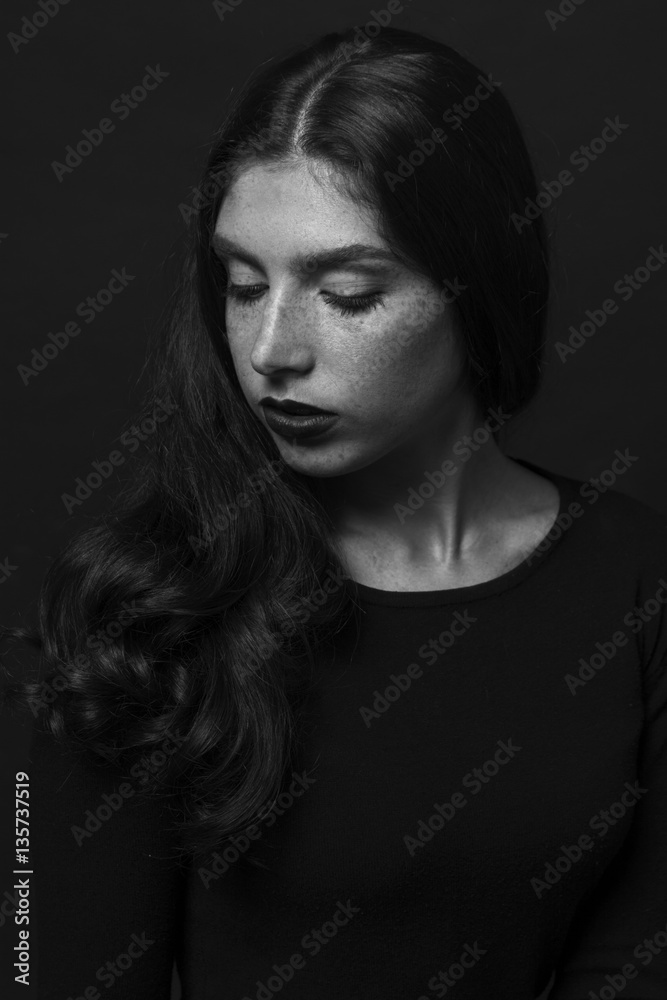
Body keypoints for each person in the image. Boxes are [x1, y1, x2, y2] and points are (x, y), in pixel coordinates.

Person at [3, 23, 666, 1000]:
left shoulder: (637, 579)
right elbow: (49, 973)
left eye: (347, 295)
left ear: (475, 288)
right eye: (240, 284)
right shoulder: (147, 605)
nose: (271, 347)